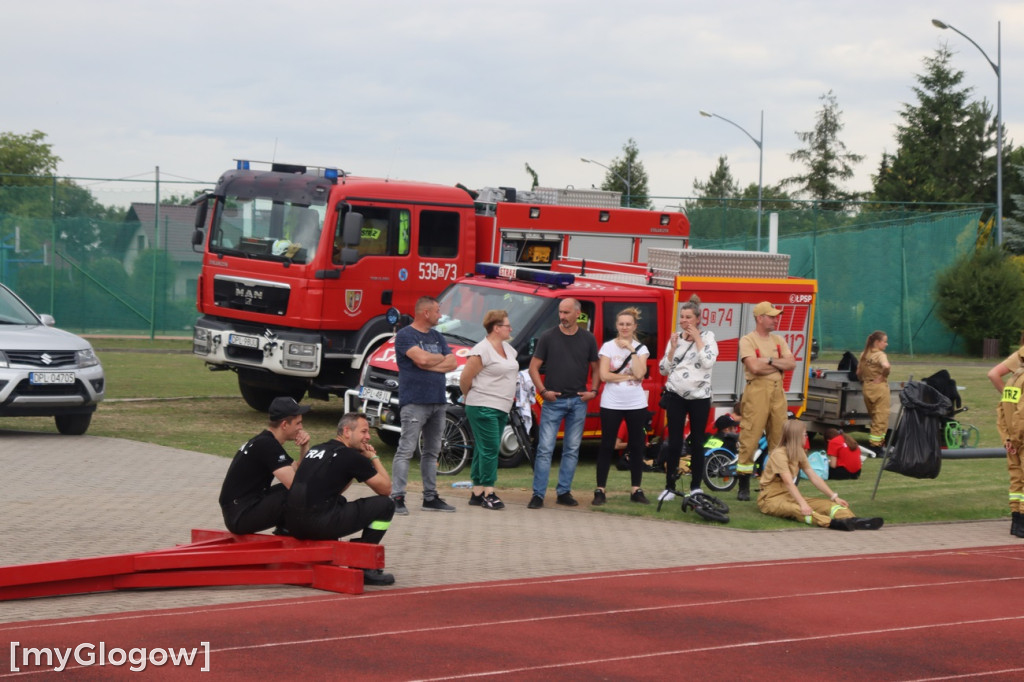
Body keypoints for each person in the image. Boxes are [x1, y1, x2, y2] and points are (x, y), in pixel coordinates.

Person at [285, 413, 396, 586]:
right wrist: (374, 458)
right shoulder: (351, 456)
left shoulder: (317, 449)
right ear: (347, 432)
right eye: (364, 431)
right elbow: (386, 489)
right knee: (386, 505)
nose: (368, 437)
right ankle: (363, 565)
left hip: (292, 524)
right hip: (317, 525)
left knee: (339, 500)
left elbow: (333, 487)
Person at [527, 297, 600, 509]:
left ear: (578, 313)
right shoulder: (548, 336)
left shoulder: (588, 338)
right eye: (560, 312)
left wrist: (593, 391)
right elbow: (533, 367)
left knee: (572, 449)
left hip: (578, 401)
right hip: (554, 401)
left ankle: (564, 492)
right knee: (545, 449)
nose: (562, 316)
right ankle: (538, 494)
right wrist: (543, 391)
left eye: (566, 312)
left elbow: (596, 367)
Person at [391, 296, 458, 515]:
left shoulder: (438, 336)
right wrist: (434, 359)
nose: (441, 315)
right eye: (437, 311)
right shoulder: (405, 335)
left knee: (433, 451)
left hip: (438, 401)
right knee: (406, 449)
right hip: (414, 401)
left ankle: (430, 497)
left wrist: (429, 362)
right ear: (426, 313)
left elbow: (452, 362)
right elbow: (421, 360)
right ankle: (397, 497)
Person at [758, 420, 883, 531]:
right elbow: (788, 482)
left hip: (789, 495)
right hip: (771, 499)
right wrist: (803, 504)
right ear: (796, 437)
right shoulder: (779, 454)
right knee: (797, 509)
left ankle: (854, 520)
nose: (806, 437)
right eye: (804, 434)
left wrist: (834, 497)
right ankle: (833, 523)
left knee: (831, 506)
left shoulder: (799, 452)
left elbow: (814, 477)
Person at [218, 396, 311, 535]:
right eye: (298, 423)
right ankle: (290, 530)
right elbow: (295, 485)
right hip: (240, 514)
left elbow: (299, 472)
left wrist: (304, 446)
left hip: (239, 510)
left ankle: (286, 529)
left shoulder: (265, 440)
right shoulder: (267, 445)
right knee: (295, 494)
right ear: (284, 425)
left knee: (294, 491)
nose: (301, 428)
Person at [658, 295, 719, 501]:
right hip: (676, 395)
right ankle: (669, 487)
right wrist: (673, 348)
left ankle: (695, 487)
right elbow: (663, 369)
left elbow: (708, 362)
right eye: (682, 317)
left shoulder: (708, 337)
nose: (684, 321)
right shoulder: (675, 338)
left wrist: (698, 339)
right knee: (674, 442)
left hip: (699, 397)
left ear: (698, 319)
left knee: (697, 442)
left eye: (688, 317)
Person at [459, 309, 518, 510]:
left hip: (502, 406)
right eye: (507, 325)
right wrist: (468, 396)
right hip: (483, 405)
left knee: (483, 448)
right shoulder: (481, 350)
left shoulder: (508, 349)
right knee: (491, 448)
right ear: (496, 328)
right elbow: (465, 378)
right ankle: (489, 493)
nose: (511, 329)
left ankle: (477, 492)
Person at [736, 301, 795, 501]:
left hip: (778, 393)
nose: (776, 319)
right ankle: (743, 484)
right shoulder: (748, 340)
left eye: (776, 316)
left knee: (778, 440)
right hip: (757, 393)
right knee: (750, 438)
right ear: (760, 318)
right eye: (771, 316)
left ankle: (774, 484)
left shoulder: (779, 340)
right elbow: (754, 368)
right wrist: (778, 365)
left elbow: (791, 363)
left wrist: (768, 361)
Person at [594, 307, 651, 505]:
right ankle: (600, 489)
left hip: (636, 403)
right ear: (616, 326)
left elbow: (640, 373)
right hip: (611, 402)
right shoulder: (608, 347)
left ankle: (636, 489)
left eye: (628, 324)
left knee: (636, 445)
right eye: (621, 324)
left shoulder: (641, 348)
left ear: (634, 326)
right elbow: (604, 375)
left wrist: (631, 350)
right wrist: (628, 377)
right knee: (606, 445)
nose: (624, 327)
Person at [986, 337, 1024, 539]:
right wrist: (1016, 439)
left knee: (1017, 481)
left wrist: (1008, 439)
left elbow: (1002, 411)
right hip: (1020, 438)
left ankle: (1017, 522)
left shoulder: (1012, 380)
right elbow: (1021, 415)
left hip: (1012, 439)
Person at [857, 330, 892, 454]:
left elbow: (858, 372)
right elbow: (886, 366)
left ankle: (877, 444)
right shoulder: (880, 355)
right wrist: (883, 376)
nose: (886, 344)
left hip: (867, 387)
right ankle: (876, 446)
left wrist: (864, 380)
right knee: (881, 417)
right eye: (885, 341)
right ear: (877, 342)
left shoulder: (864, 354)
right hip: (879, 388)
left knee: (874, 417)